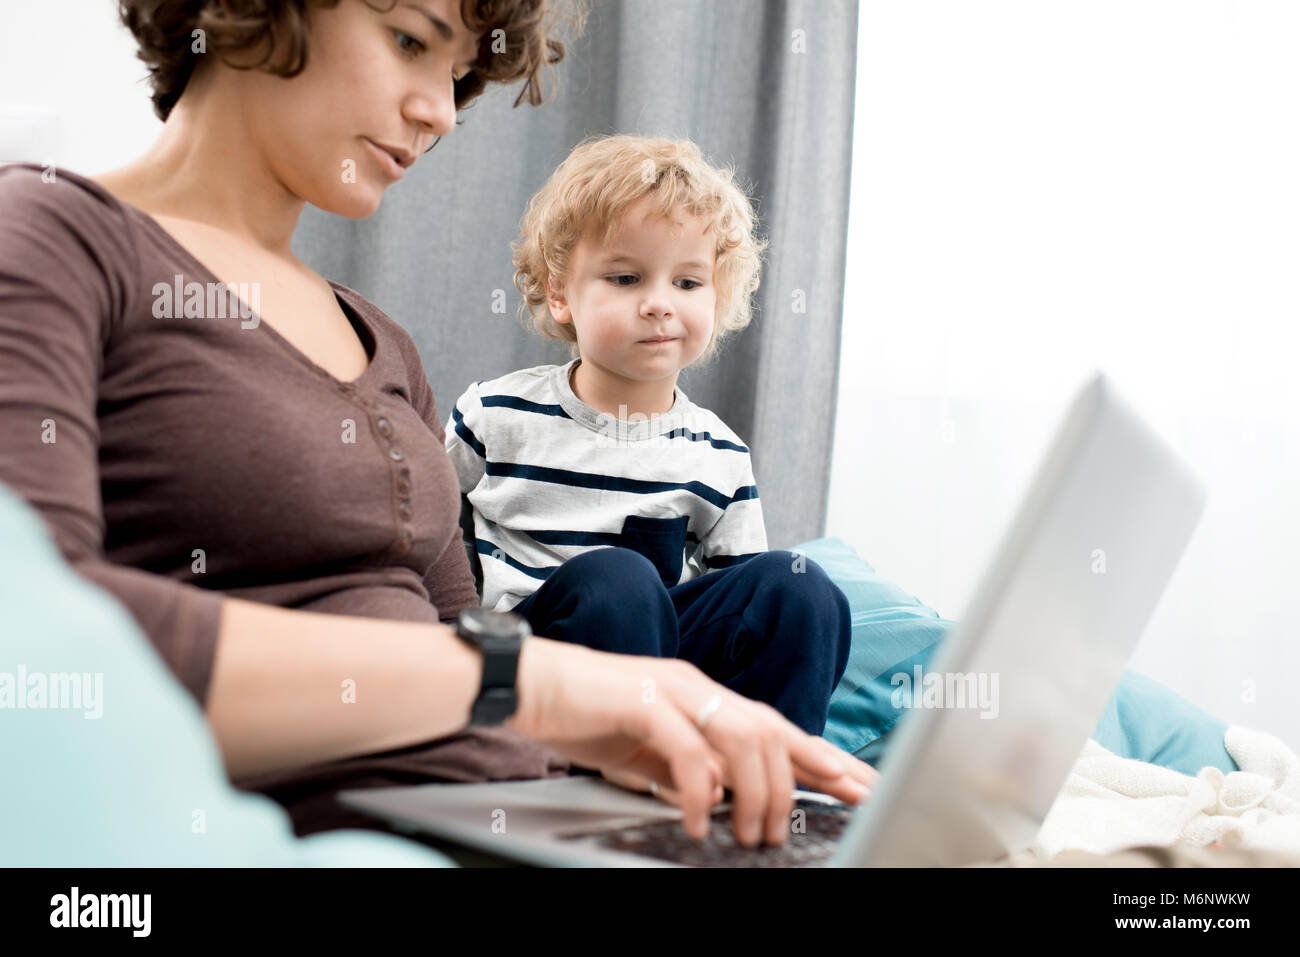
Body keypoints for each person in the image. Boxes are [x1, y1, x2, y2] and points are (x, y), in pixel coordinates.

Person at [0, 0, 875, 852]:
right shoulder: (52, 235)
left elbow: (458, 639)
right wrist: (532, 680)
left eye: (456, 75)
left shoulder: (382, 343)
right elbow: (35, 651)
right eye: (409, 40)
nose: (441, 113)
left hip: (531, 811)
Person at [445, 133, 852, 740]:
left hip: (662, 671)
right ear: (561, 294)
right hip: (536, 665)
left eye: (688, 284)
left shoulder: (718, 455)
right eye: (627, 278)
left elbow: (740, 606)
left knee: (798, 584)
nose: (660, 304)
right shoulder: (495, 414)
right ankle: (620, 773)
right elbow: (424, 534)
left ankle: (771, 778)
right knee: (621, 579)